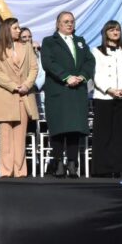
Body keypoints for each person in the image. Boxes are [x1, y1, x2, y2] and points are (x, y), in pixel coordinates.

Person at [40, 11, 95, 178]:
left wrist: (83, 76)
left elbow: (89, 61)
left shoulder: (80, 41)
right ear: (58, 24)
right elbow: (48, 63)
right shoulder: (49, 41)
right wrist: (66, 76)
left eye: (71, 21)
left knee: (74, 129)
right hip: (58, 90)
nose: (69, 24)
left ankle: (72, 163)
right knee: (58, 128)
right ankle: (57, 163)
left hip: (77, 91)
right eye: (65, 21)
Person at [0, 18, 39, 177]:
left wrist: (26, 84)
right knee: (5, 134)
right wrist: (12, 85)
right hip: (5, 94)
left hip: (23, 94)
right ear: (7, 30)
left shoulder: (26, 47)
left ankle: (20, 170)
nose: (19, 30)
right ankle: (6, 170)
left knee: (20, 133)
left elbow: (33, 68)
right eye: (15, 28)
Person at [91, 20, 122, 177]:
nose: (115, 32)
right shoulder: (96, 51)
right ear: (106, 33)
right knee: (104, 134)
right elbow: (96, 74)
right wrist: (109, 89)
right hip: (104, 97)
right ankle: (103, 169)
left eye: (117, 30)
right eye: (111, 30)